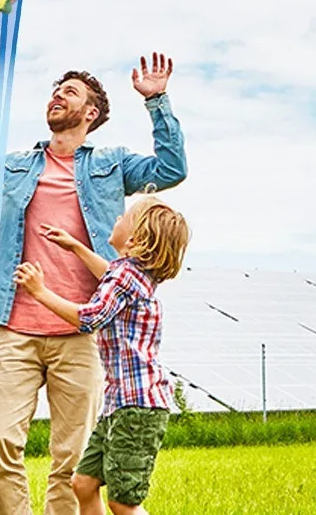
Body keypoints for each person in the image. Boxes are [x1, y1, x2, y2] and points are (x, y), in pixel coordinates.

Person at [0, 55, 187, 515]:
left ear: (91, 112)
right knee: (0, 443)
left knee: (70, 463)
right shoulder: (15, 165)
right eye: (56, 89)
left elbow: (172, 170)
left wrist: (156, 101)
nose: (58, 95)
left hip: (79, 336)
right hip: (12, 329)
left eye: (70, 91)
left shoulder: (112, 165)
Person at [14, 196, 191, 515]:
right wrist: (76, 247)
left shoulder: (124, 278)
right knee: (83, 483)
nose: (118, 218)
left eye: (126, 217)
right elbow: (109, 273)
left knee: (123, 502)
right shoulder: (131, 274)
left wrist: (40, 291)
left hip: (137, 408)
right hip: (120, 404)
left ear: (135, 239)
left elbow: (89, 319)